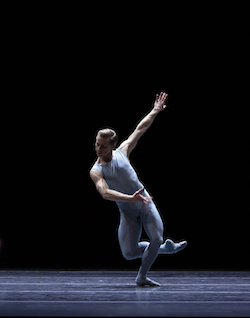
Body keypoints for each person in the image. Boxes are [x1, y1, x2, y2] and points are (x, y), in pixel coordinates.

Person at [90, 92, 187, 287]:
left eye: (102, 146)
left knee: (156, 237)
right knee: (129, 253)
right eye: (96, 144)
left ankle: (141, 277)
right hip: (127, 209)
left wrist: (155, 110)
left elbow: (140, 129)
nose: (97, 149)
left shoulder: (123, 151)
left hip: (143, 202)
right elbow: (105, 193)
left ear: (113, 146)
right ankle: (166, 250)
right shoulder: (96, 170)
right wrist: (129, 199)